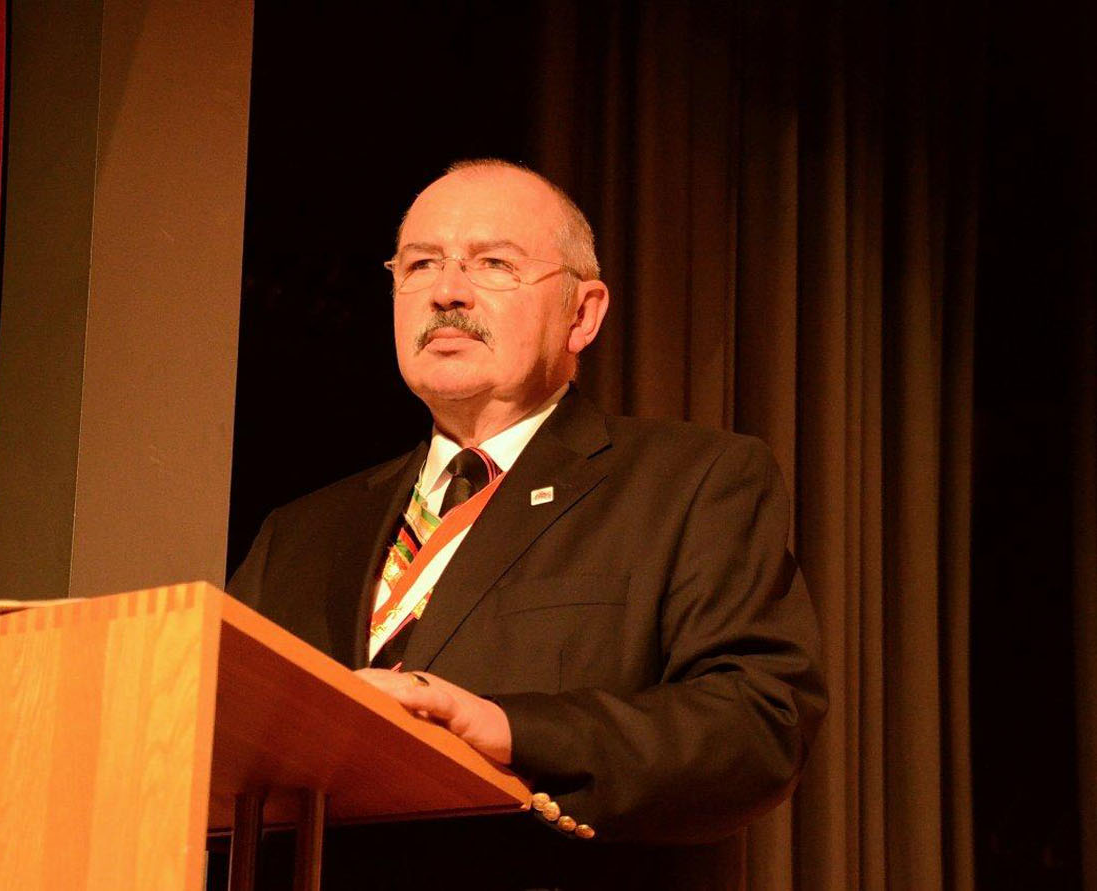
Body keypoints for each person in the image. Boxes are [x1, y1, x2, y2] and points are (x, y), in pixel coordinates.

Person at [226, 159, 826, 890]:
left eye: (493, 264)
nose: (446, 290)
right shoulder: (300, 532)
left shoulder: (690, 482)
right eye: (420, 264)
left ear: (583, 314)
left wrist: (508, 728)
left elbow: (757, 723)